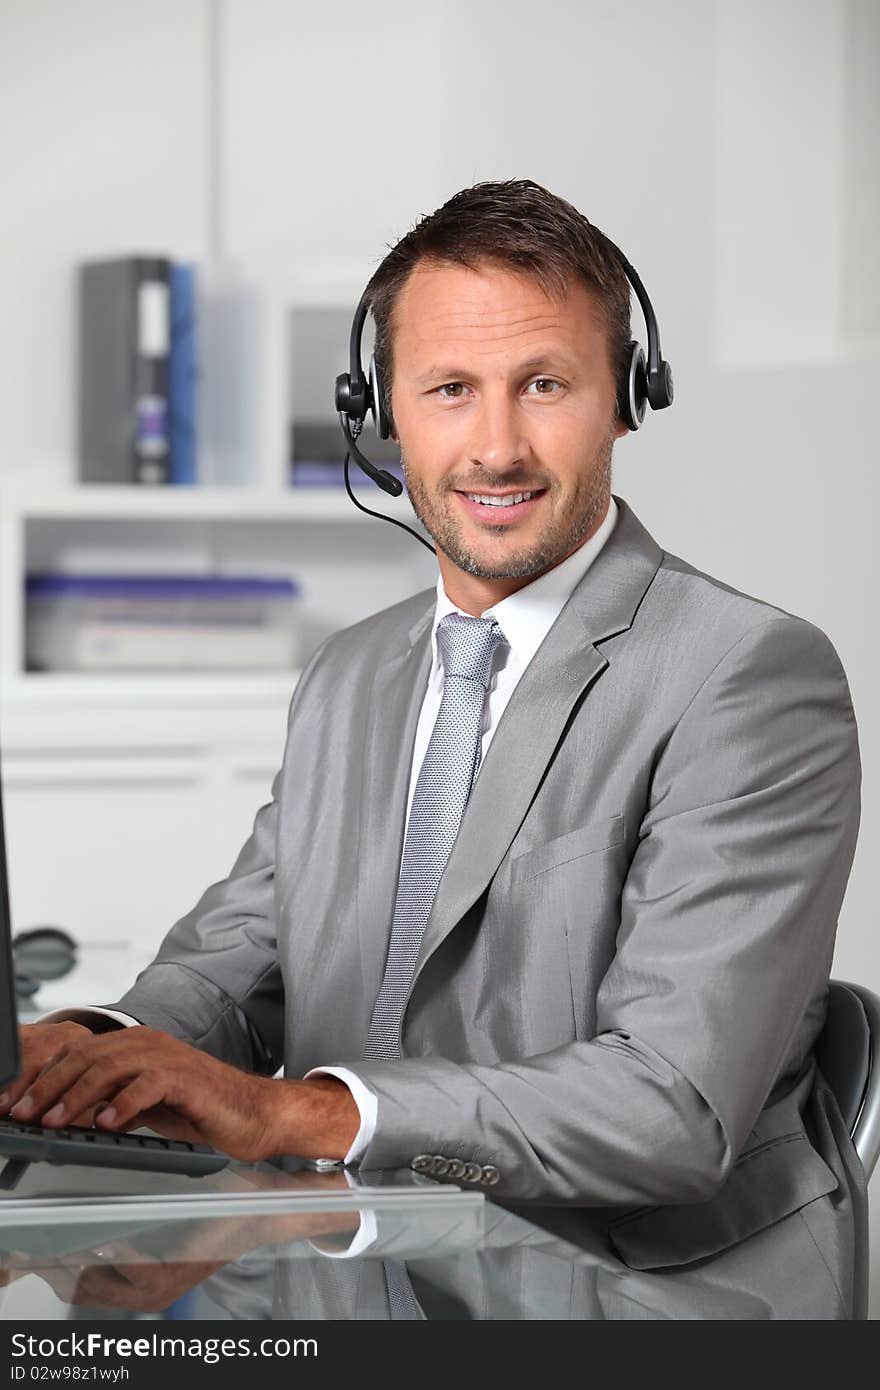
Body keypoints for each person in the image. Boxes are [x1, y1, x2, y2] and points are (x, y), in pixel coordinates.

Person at [2, 180, 865, 1313]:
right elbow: (239, 959)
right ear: (381, 413)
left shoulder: (746, 676)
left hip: (639, 1289)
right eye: (449, 390)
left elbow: (672, 1112)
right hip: (364, 1259)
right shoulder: (351, 675)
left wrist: (295, 1111)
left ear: (625, 400)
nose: (496, 446)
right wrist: (76, 1055)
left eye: (545, 385)